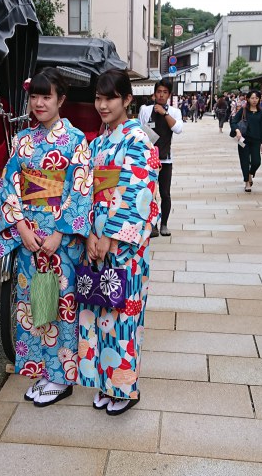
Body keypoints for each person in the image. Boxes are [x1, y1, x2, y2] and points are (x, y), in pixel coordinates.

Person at [0, 68, 93, 407]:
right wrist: (21, 228)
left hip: (59, 241)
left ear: (60, 99)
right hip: (29, 238)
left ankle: (62, 377)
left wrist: (60, 233)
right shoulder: (22, 141)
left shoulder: (75, 140)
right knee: (31, 303)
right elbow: (8, 186)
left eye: (46, 96)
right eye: (34, 96)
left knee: (61, 304)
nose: (38, 102)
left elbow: (81, 189)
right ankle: (40, 369)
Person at [79, 68, 160, 416]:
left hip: (124, 248)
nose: (102, 104)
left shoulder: (138, 141)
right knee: (99, 313)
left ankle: (124, 387)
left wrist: (110, 238)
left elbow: (139, 196)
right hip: (97, 243)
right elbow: (87, 193)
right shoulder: (98, 143)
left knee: (123, 316)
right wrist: (90, 234)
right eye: (98, 97)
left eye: (110, 97)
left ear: (127, 99)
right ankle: (104, 381)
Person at [137, 78, 183, 238]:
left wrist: (164, 113)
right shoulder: (145, 110)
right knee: (149, 193)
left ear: (169, 95)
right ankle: (153, 224)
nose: (161, 95)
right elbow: (140, 130)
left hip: (166, 159)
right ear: (154, 93)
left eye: (165, 92)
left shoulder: (175, 111)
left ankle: (164, 224)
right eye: (159, 92)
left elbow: (178, 129)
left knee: (165, 193)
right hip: (148, 160)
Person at [231, 90, 262, 192]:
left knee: (257, 162)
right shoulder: (243, 110)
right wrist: (237, 130)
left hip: (256, 140)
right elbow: (233, 122)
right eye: (252, 98)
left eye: (256, 98)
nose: (254, 100)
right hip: (243, 140)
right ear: (248, 99)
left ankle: (250, 174)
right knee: (245, 161)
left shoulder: (261, 113)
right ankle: (247, 182)